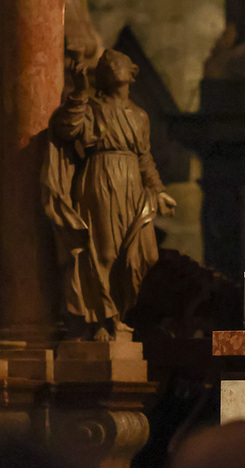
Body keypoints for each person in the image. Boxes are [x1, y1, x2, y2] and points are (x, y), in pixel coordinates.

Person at [43, 48, 177, 341]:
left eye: (119, 61)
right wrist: (80, 91)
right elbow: (67, 129)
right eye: (107, 63)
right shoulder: (92, 108)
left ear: (132, 74)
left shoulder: (140, 116)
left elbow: (144, 158)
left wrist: (158, 191)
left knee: (144, 256)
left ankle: (123, 313)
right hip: (100, 181)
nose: (112, 63)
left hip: (132, 186)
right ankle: (104, 320)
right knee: (103, 252)